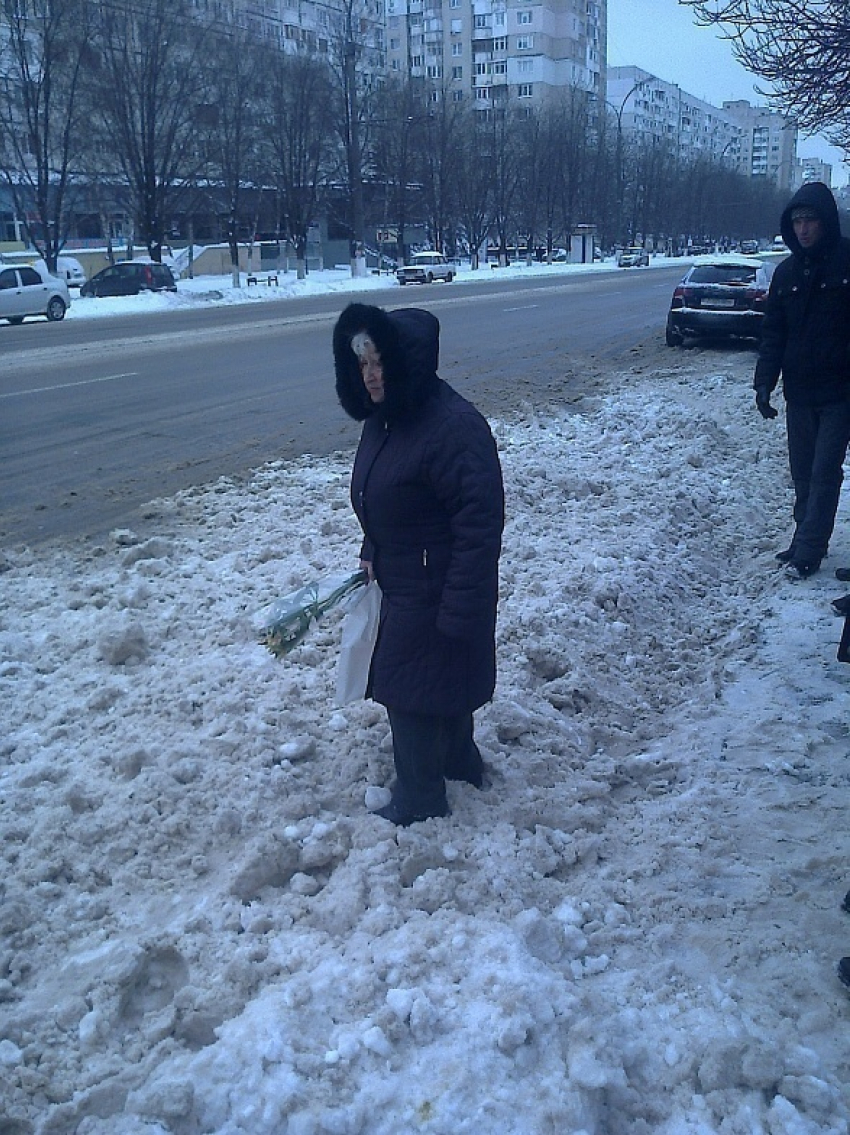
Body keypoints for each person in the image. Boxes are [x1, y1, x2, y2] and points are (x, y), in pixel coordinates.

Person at [333, 302, 504, 826]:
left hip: (436, 584)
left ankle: (422, 796)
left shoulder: (453, 427)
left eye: (381, 364)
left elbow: (480, 526)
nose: (371, 376)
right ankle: (458, 762)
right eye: (362, 365)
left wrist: (462, 608)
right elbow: (388, 494)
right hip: (404, 575)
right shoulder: (388, 419)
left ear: (409, 363)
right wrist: (371, 544)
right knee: (438, 681)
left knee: (407, 690)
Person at [754, 181, 850, 580]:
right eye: (797, 221)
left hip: (842, 390)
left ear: (825, 221)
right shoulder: (786, 273)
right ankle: (802, 538)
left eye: (811, 220)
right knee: (803, 471)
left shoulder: (847, 262)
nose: (804, 229)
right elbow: (774, 332)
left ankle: (809, 550)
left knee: (825, 471)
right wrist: (764, 381)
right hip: (801, 391)